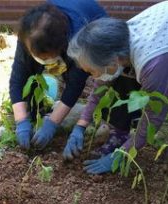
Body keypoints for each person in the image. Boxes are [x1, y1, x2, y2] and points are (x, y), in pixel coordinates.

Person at [66, 1, 168, 174]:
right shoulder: (117, 40)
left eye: (92, 71)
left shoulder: (152, 65)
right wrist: (80, 126)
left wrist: (121, 154)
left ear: (113, 61)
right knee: (122, 78)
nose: (93, 77)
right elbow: (100, 87)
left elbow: (153, 117)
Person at [9, 0, 107, 150]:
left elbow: (75, 85)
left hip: (93, 23)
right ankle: (35, 111)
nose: (44, 61)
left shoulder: (78, 40)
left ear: (61, 47)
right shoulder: (28, 35)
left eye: (47, 57)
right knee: (29, 71)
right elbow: (18, 78)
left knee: (100, 73)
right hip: (52, 36)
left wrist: (52, 123)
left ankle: (110, 117)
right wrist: (21, 121)